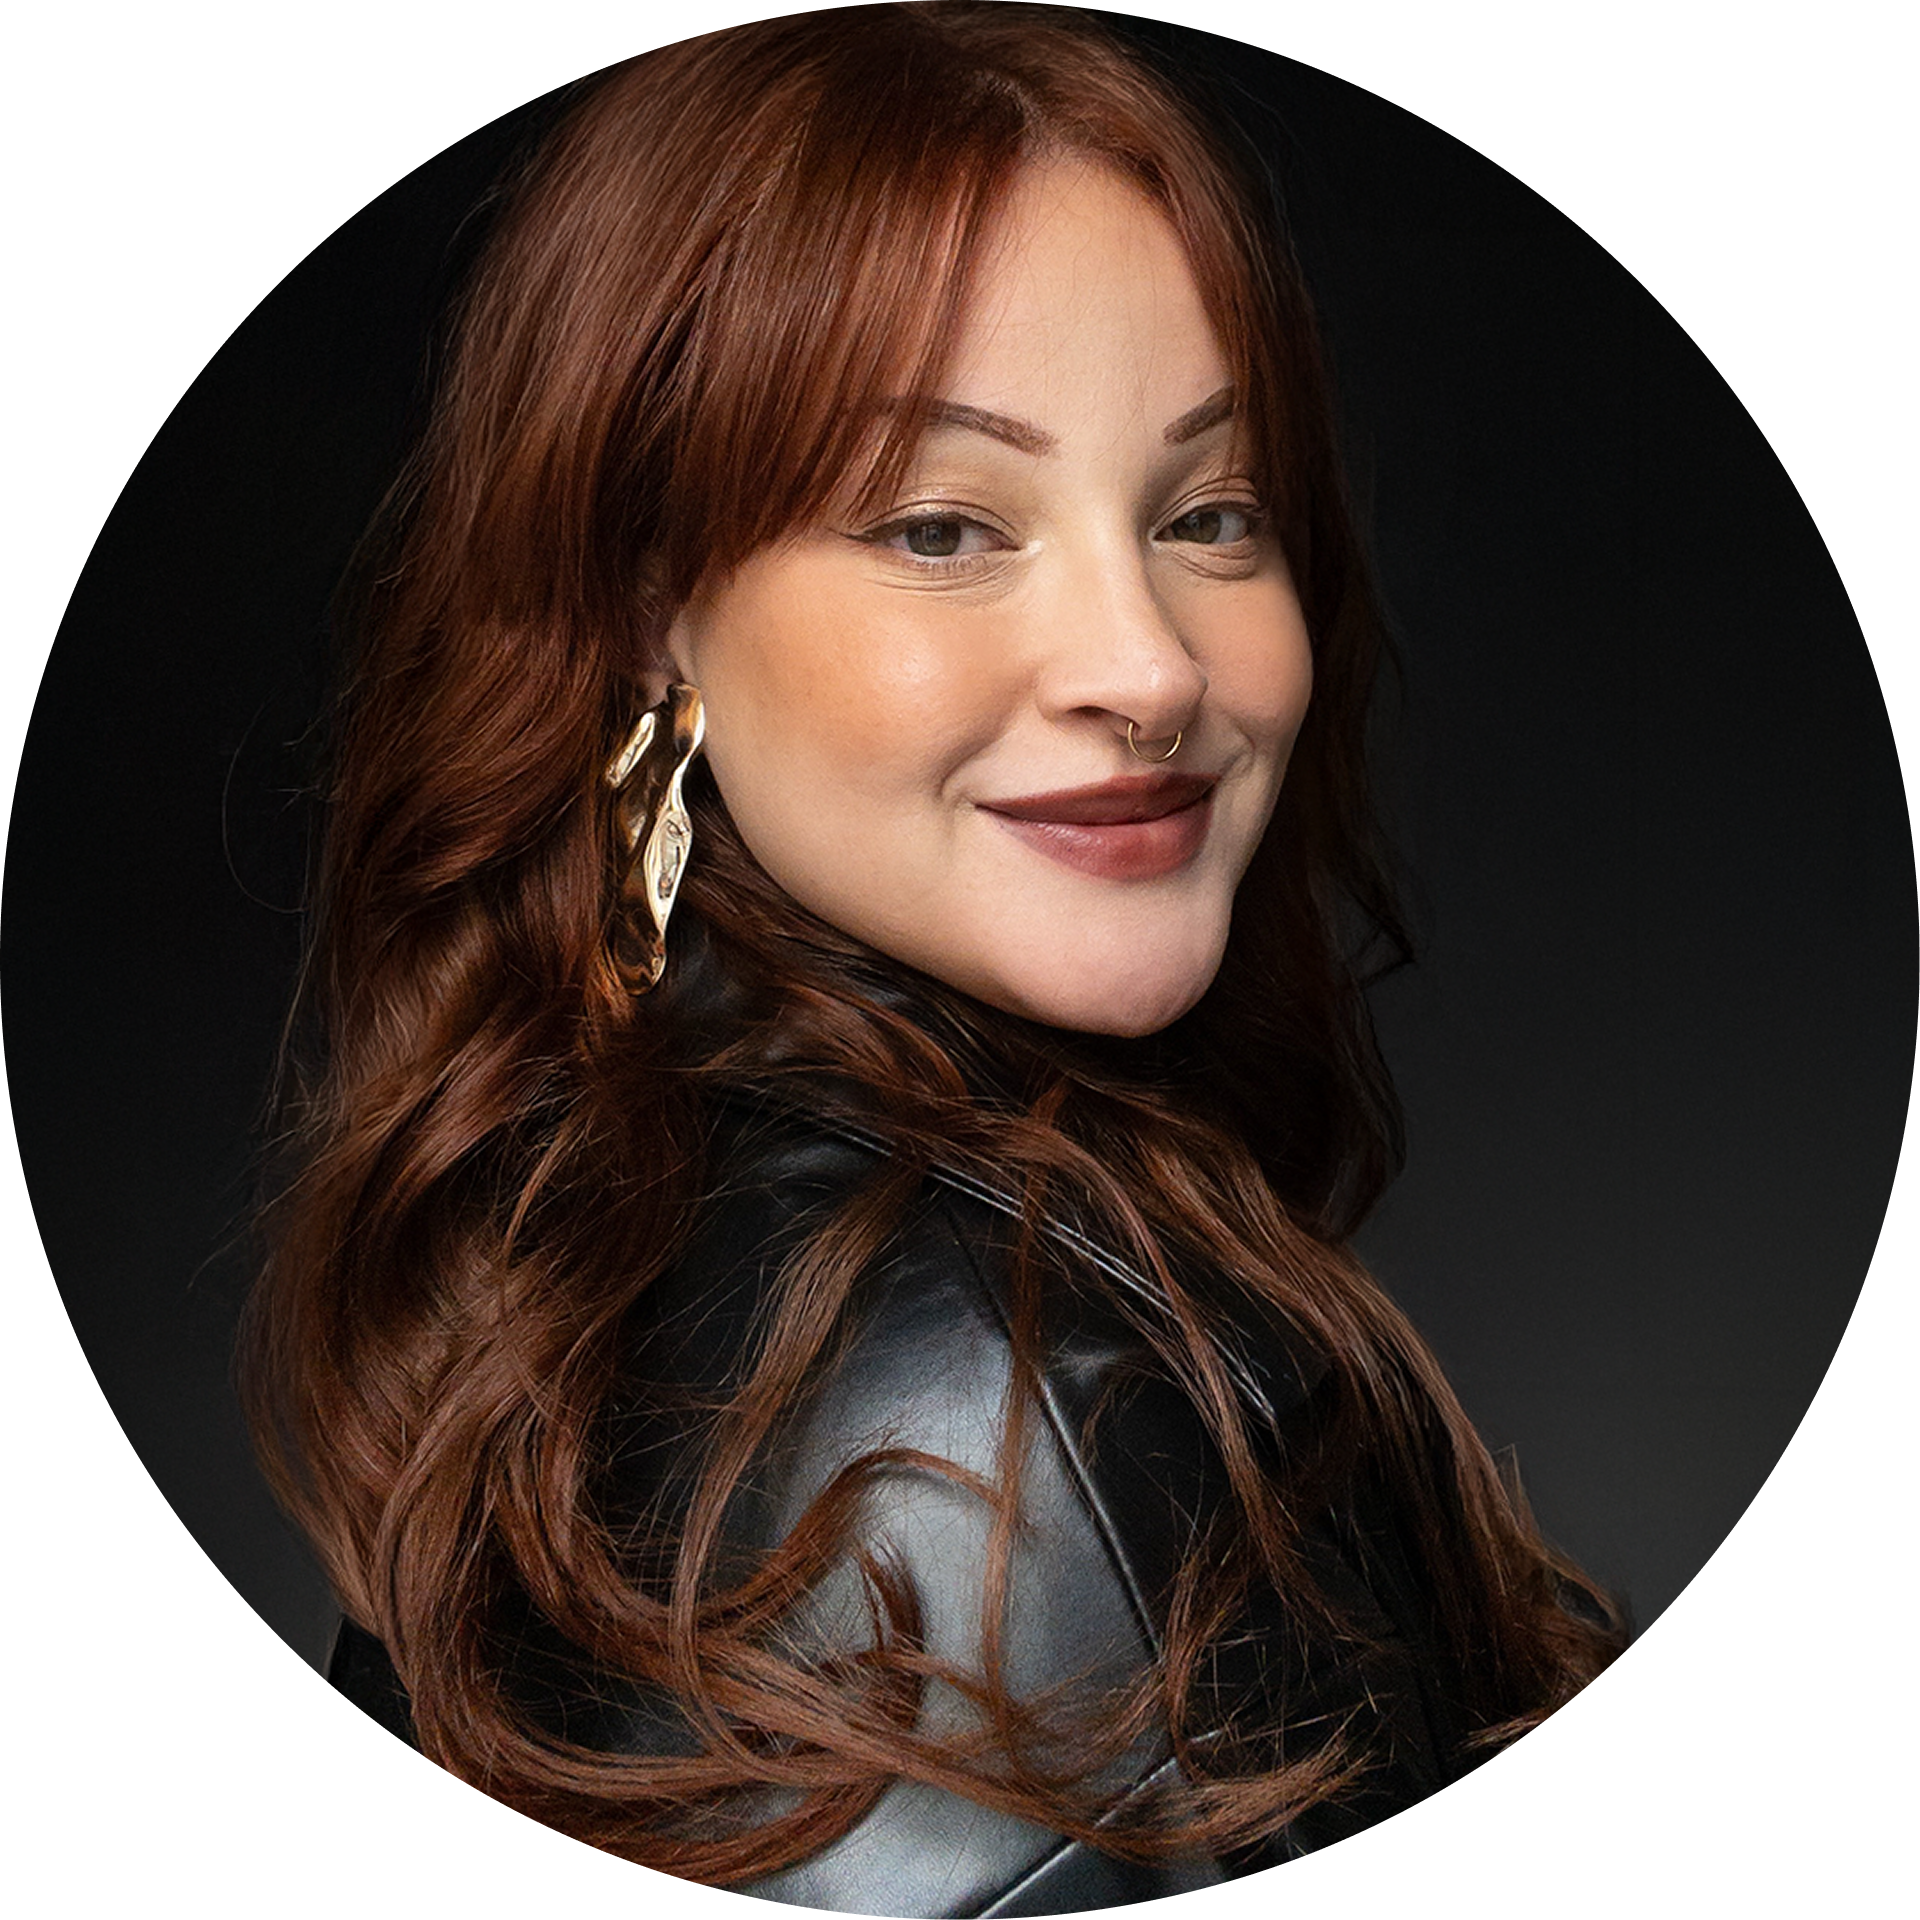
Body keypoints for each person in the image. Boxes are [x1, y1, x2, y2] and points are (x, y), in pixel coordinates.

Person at [244, 5, 1625, 1907]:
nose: (1149, 666)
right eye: (947, 525)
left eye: (1209, 513)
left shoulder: (581, 1236)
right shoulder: (1027, 1407)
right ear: (649, 608)